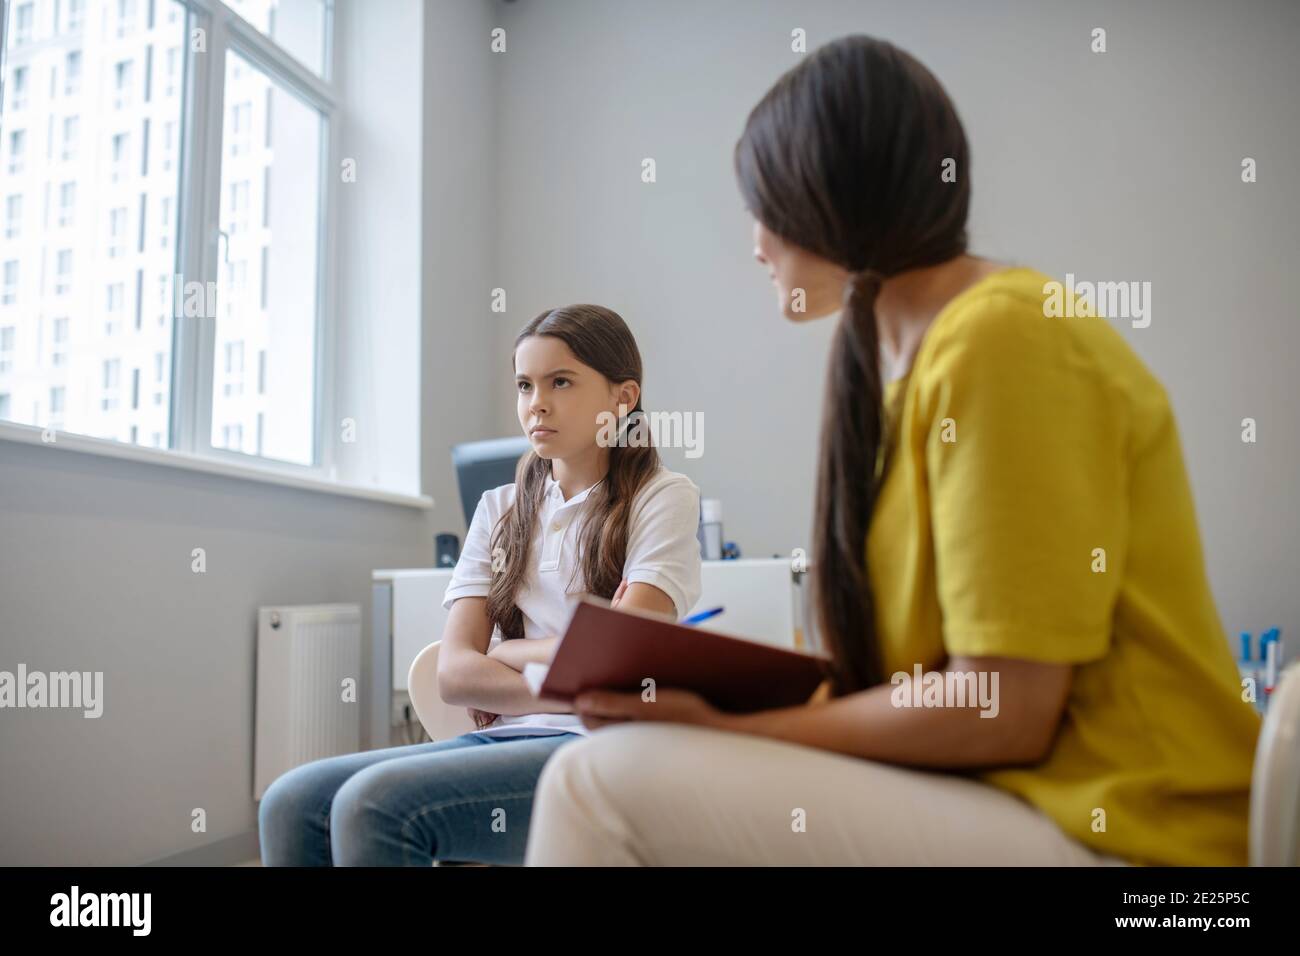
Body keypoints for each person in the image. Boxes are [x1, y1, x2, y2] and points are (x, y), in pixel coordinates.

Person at [523, 36, 1260, 867]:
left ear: (826, 193)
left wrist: (736, 725)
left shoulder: (1004, 337)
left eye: (762, 205)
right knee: (616, 768)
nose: (756, 243)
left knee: (596, 784)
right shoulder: (915, 373)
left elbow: (1003, 707)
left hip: (1143, 840)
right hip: (1026, 802)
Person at [259, 304, 702, 865]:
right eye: (524, 385)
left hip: (598, 748)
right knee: (291, 801)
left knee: (373, 806)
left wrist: (508, 652)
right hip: (503, 739)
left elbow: (622, 658)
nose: (535, 403)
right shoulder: (499, 508)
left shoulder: (663, 496)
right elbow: (455, 672)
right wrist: (569, 668)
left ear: (623, 397)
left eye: (560, 381)